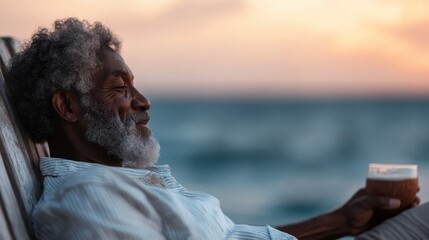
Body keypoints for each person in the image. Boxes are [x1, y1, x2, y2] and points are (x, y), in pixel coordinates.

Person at [5, 18, 425, 240]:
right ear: (67, 106)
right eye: (120, 87)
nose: (143, 100)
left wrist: (341, 222)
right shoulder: (88, 199)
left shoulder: (113, 186)